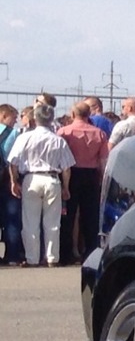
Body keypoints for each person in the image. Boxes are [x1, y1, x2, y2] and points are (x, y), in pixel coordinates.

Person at [6, 104, 75, 266]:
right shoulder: (58, 140)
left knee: (30, 221)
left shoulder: (24, 138)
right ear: (51, 119)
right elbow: (66, 167)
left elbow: (13, 162)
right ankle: (52, 258)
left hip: (31, 178)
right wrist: (66, 187)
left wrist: (13, 181)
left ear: (34, 118)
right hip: (52, 178)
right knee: (52, 222)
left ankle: (32, 258)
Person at [57, 102, 109, 264]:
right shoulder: (99, 133)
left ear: (72, 114)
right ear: (89, 115)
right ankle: (91, 253)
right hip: (91, 174)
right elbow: (103, 161)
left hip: (71, 174)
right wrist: (101, 178)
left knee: (68, 214)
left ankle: (65, 254)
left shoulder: (64, 132)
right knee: (91, 215)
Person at [0, 104, 21, 265]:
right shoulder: (13, 133)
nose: (15, 122)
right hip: (7, 178)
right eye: (13, 118)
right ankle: (12, 255)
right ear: (3, 115)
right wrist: (14, 180)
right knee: (11, 218)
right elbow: (13, 160)